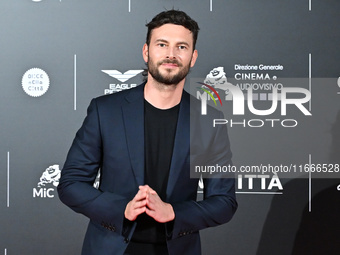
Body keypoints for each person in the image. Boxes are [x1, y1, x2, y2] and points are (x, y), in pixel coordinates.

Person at [57, 9, 237, 255]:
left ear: (193, 57)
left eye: (181, 47)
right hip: (110, 248)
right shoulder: (106, 111)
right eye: (162, 44)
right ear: (146, 51)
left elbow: (224, 202)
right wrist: (122, 209)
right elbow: (71, 183)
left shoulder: (208, 121)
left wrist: (173, 212)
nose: (171, 55)